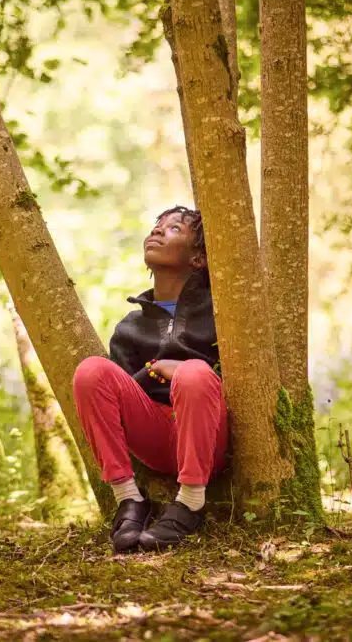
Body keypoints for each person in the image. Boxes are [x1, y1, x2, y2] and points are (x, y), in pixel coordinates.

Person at [72, 205, 228, 552]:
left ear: (199, 258)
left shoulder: (223, 311)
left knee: (194, 373)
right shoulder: (130, 327)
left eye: (174, 229)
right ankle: (128, 497)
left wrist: (184, 370)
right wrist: (159, 369)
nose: (157, 232)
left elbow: (236, 383)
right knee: (90, 371)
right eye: (156, 226)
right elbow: (118, 398)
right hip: (155, 438)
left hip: (209, 434)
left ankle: (190, 501)